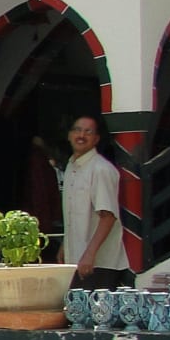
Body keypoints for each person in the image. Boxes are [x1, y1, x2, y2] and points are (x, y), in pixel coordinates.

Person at [60, 114, 133, 289]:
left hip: (98, 263)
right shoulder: (71, 167)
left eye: (88, 132)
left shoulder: (101, 169)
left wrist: (90, 254)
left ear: (96, 139)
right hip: (77, 259)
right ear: (69, 135)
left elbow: (108, 216)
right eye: (77, 130)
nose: (81, 135)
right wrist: (65, 246)